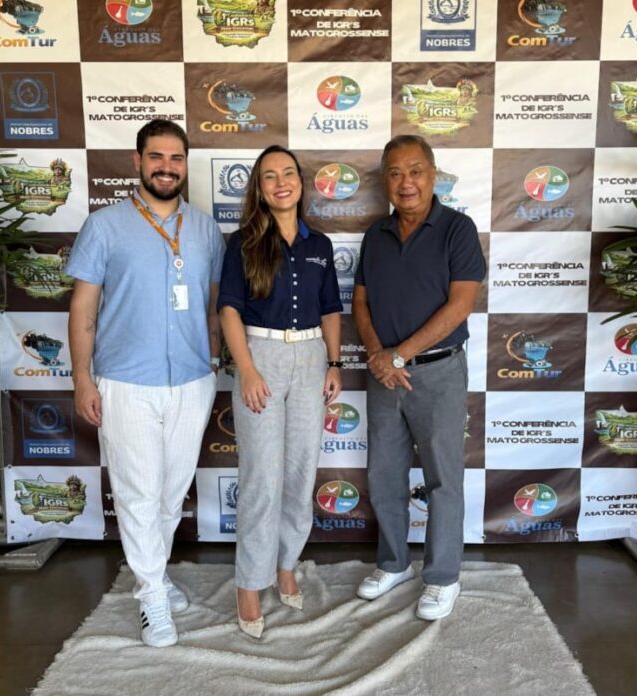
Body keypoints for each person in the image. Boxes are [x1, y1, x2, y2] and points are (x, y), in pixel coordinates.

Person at [66, 119, 225, 648]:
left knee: (171, 493)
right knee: (137, 494)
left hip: (192, 379)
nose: (166, 167)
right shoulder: (104, 226)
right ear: (137, 162)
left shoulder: (204, 230)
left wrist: (213, 359)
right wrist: (82, 378)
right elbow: (83, 308)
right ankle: (152, 595)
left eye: (176, 158)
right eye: (156, 157)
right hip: (125, 382)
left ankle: (153, 572)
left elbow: (212, 305)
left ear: (185, 165)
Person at [352, 134, 485, 621]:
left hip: (438, 372)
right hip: (384, 375)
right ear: (386, 181)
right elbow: (361, 301)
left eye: (415, 171)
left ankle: (442, 576)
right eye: (395, 173)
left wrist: (399, 356)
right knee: (384, 474)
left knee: (443, 478)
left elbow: (461, 304)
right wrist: (377, 356)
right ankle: (393, 564)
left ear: (433, 175)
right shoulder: (376, 235)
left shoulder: (457, 229)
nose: (405, 182)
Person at [218, 144, 342, 638]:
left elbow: (330, 308)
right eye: (269, 176)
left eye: (288, 173)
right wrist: (247, 370)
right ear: (259, 188)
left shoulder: (320, 245)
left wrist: (334, 363)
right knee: (262, 479)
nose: (280, 182)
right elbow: (229, 309)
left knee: (300, 472)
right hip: (261, 356)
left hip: (310, 358)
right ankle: (249, 585)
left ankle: (286, 565)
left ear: (300, 182)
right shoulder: (242, 242)